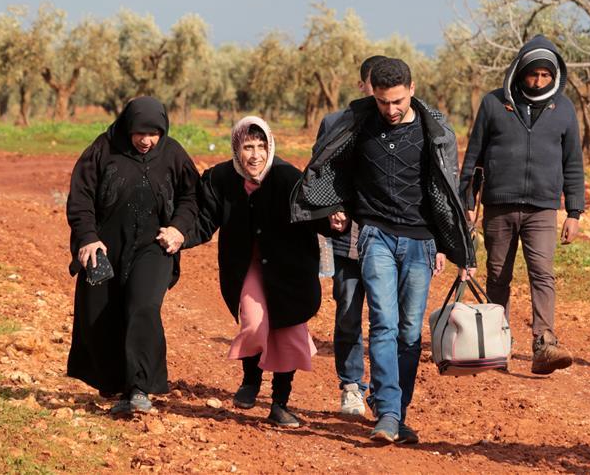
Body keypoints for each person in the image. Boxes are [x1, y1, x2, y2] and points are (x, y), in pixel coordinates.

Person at [291, 57, 475, 445]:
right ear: (372, 93)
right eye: (382, 102)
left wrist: (451, 248)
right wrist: (333, 207)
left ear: (412, 89)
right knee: (384, 323)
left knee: (409, 331)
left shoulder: (435, 130)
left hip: (420, 241)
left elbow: (446, 194)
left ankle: (397, 411)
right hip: (374, 234)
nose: (390, 110)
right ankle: (388, 412)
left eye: (396, 102)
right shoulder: (357, 124)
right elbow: (330, 167)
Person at [459, 35, 584, 375]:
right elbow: (474, 156)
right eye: (533, 74)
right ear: (520, 72)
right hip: (499, 204)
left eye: (546, 75)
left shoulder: (565, 109)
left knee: (542, 273)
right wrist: (467, 199)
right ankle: (498, 342)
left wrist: (574, 211)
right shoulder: (493, 104)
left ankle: (544, 343)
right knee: (498, 275)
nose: (539, 81)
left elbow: (573, 162)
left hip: (543, 208)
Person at [66, 97, 199, 414]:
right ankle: (116, 385)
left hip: (154, 246)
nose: (147, 140)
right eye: (140, 133)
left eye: (154, 133)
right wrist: (88, 238)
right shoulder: (103, 149)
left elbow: (192, 196)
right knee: (104, 312)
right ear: (128, 127)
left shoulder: (173, 154)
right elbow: (80, 197)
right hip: (106, 246)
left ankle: (140, 388)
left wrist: (179, 229)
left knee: (143, 306)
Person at [186, 116, 322, 428]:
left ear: (270, 146)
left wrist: (334, 223)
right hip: (246, 265)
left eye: (261, 146)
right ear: (236, 148)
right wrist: (179, 236)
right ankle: (250, 379)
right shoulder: (221, 178)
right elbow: (205, 220)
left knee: (288, 332)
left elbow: (313, 213)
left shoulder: (288, 176)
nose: (255, 155)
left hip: (288, 268)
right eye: (248, 147)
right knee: (254, 321)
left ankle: (279, 404)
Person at [313, 54, 386, 416]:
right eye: (377, 84)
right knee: (348, 313)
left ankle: (387, 393)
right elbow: (318, 174)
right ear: (362, 85)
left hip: (392, 238)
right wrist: (331, 209)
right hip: (349, 239)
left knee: (389, 319)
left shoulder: (405, 126)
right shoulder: (334, 123)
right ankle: (351, 386)